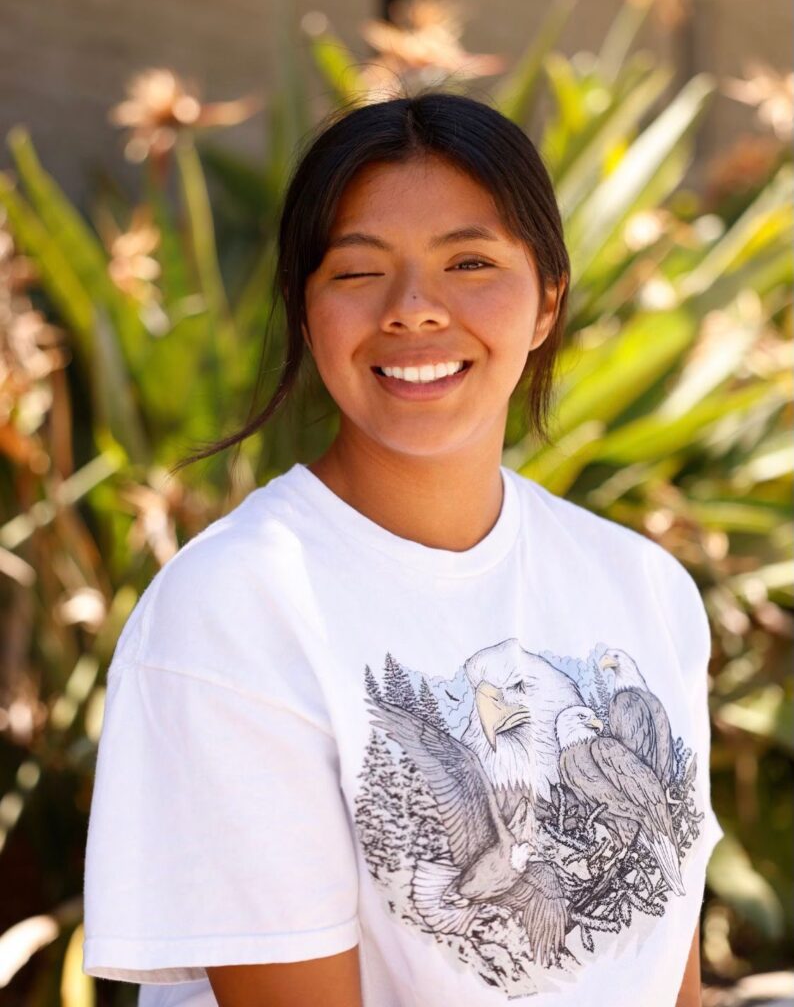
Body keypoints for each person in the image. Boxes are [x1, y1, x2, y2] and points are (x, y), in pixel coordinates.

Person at [82, 91, 723, 1007]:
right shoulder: (239, 607)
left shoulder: (645, 589)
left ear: (547, 302)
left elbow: (668, 974)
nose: (415, 310)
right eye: (356, 272)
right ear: (306, 314)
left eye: (469, 262)